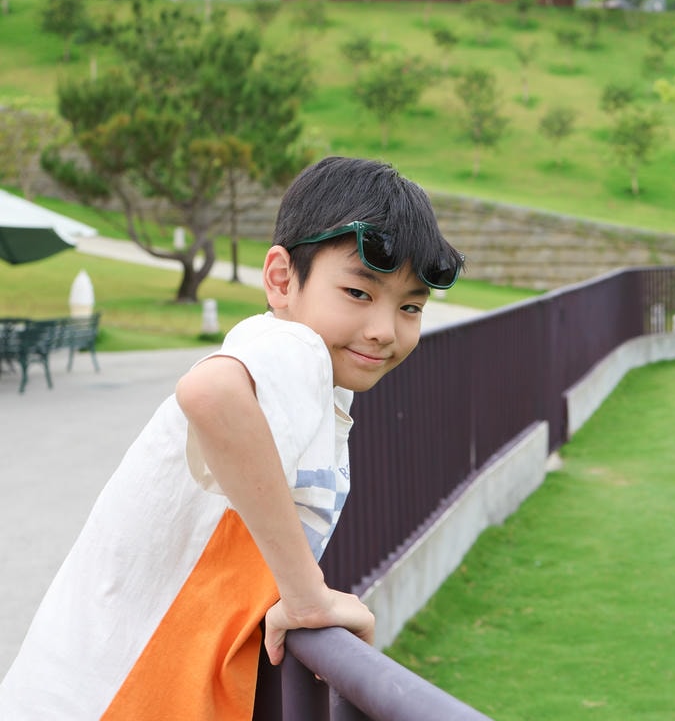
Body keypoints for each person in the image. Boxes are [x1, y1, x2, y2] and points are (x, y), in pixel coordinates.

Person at [0, 156, 463, 718]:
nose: (385, 329)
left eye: (410, 306)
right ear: (281, 279)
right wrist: (306, 592)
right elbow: (210, 393)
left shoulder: (315, 383)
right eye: (359, 294)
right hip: (113, 697)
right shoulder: (294, 350)